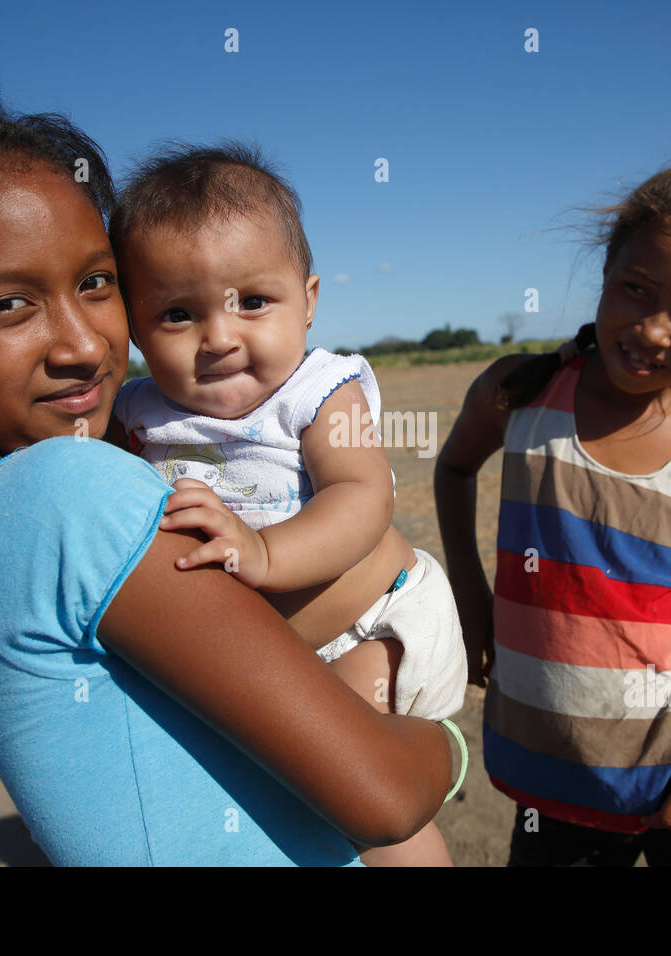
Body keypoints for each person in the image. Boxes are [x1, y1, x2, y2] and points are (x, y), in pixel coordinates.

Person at [0, 84, 465, 866]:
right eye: (9, 305)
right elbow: (388, 794)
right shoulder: (73, 492)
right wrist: (446, 745)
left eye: (96, 284)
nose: (83, 345)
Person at [433, 156, 671, 866]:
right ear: (606, 271)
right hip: (556, 783)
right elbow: (455, 465)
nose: (652, 330)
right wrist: (471, 594)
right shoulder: (519, 397)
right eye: (636, 291)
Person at [106, 143, 466, 866]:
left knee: (353, 785)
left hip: (375, 621)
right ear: (136, 328)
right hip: (270, 645)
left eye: (254, 301)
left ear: (310, 301)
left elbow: (363, 494)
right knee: (286, 795)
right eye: (178, 313)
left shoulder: (318, 389)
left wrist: (267, 551)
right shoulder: (138, 413)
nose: (219, 337)